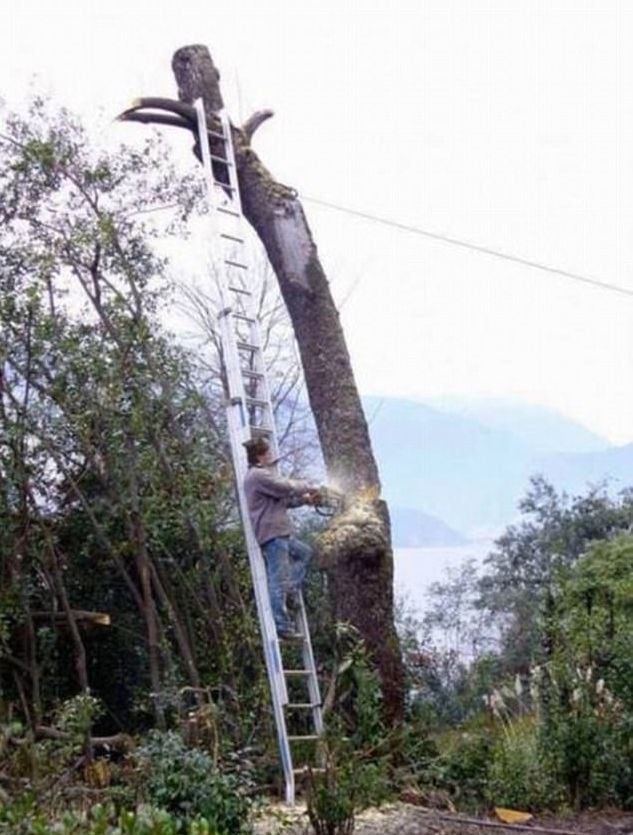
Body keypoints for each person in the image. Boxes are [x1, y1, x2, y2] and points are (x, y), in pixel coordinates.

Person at [242, 436, 320, 639]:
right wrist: (309, 485)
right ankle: (283, 626)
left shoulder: (262, 478)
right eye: (267, 452)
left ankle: (291, 590)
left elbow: (284, 501)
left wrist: (305, 500)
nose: (271, 456)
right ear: (261, 455)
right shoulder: (258, 476)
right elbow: (285, 487)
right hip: (273, 534)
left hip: (281, 533)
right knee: (277, 579)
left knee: (305, 553)